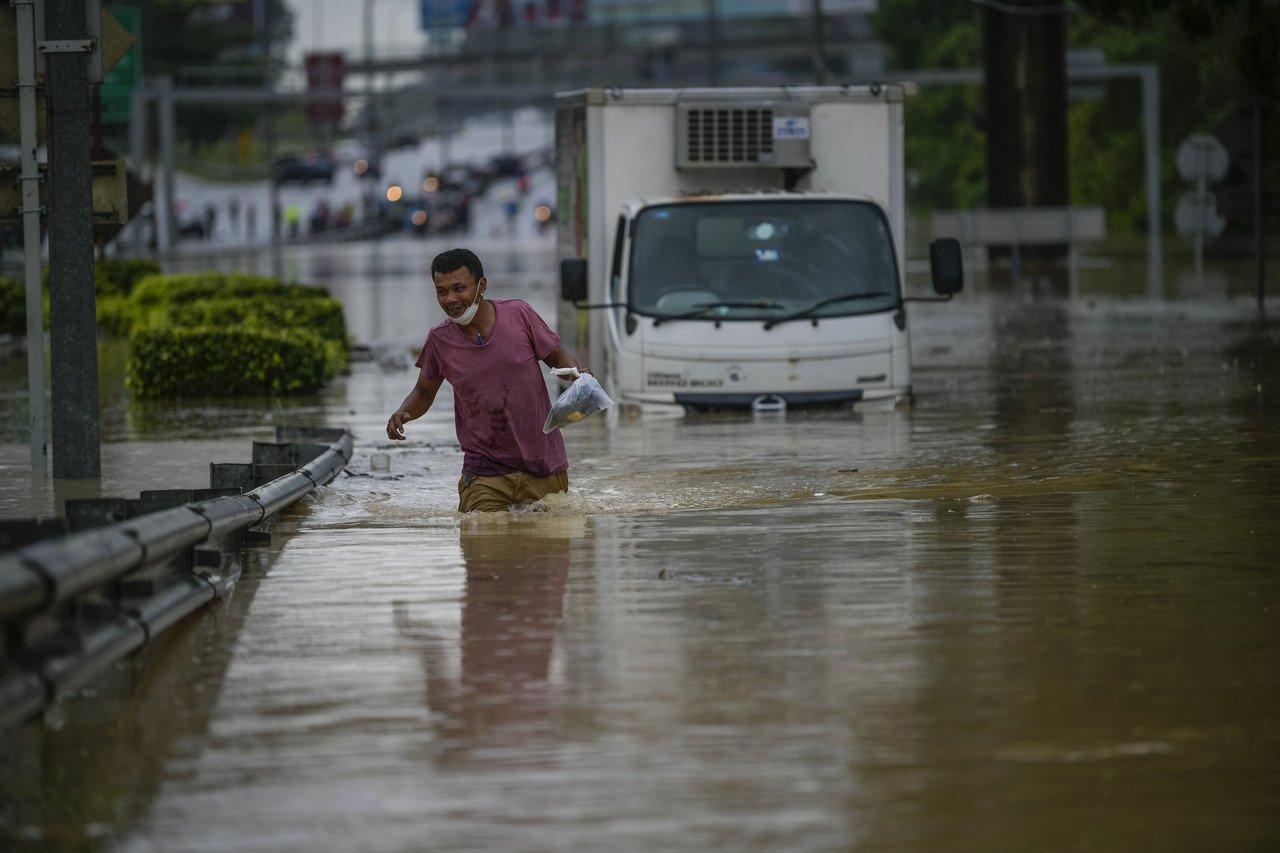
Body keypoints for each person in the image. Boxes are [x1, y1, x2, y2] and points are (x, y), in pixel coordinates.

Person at [386, 248, 588, 513]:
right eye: (441, 291)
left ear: (482, 285)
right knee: (484, 542)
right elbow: (423, 393)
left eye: (459, 288)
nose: (450, 299)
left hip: (543, 466)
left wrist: (580, 378)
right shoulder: (439, 339)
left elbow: (557, 358)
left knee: (547, 549)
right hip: (484, 473)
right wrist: (403, 413)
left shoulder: (519, 315)